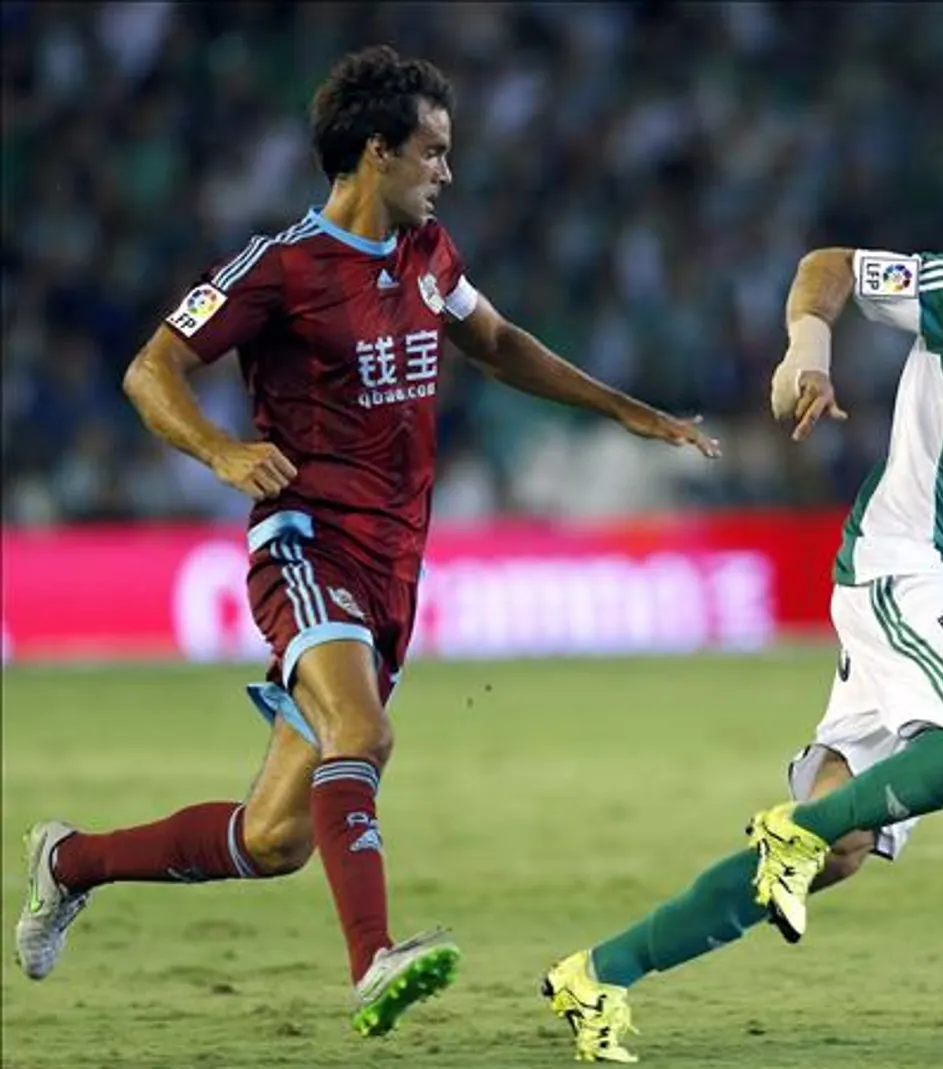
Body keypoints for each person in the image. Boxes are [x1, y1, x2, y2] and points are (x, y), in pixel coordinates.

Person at [11, 45, 718, 1038]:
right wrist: (220, 450)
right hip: (306, 548)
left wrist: (626, 410)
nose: (447, 172)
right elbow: (150, 369)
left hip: (393, 574)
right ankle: (373, 958)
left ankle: (69, 859)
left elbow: (497, 342)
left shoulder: (429, 253)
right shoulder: (280, 268)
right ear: (376, 152)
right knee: (364, 732)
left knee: (272, 839)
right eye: (433, 151)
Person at [540, 193, 943, 1062]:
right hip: (901, 564)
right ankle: (794, 831)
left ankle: (599, 974)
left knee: (837, 846)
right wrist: (807, 354)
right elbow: (830, 267)